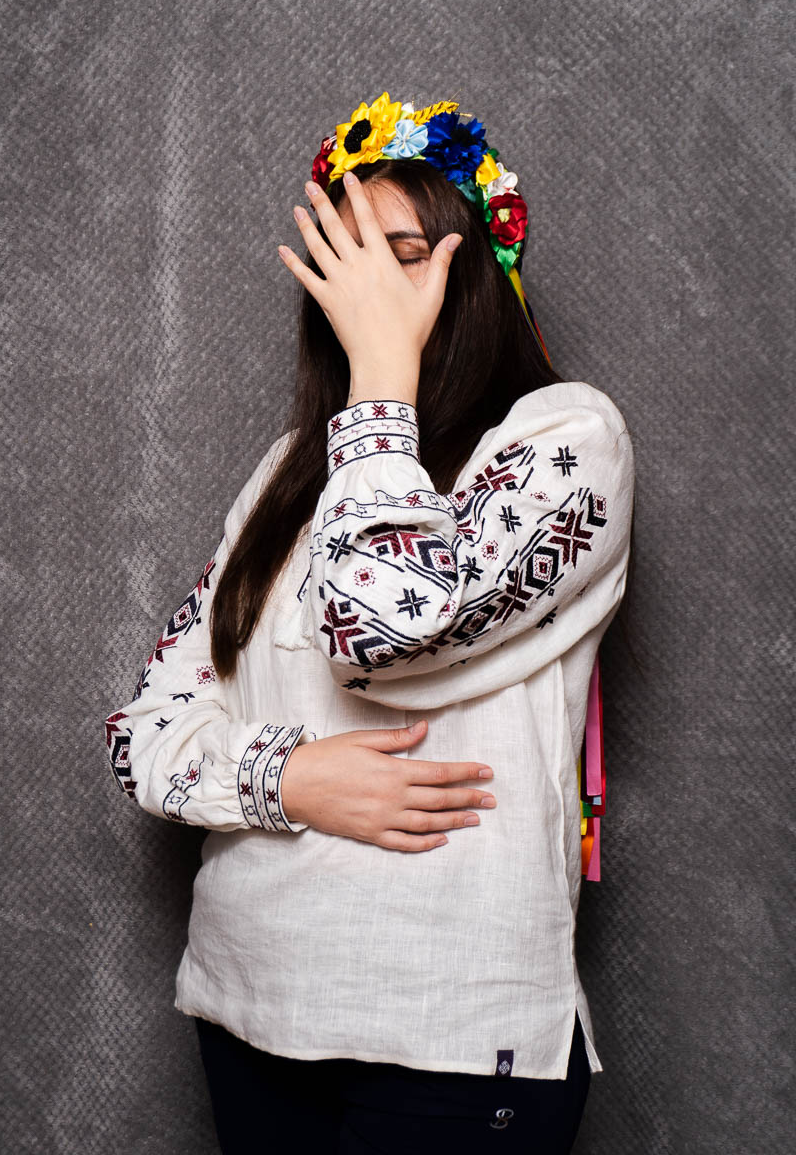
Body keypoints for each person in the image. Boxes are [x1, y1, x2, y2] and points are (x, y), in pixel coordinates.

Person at [104, 91, 635, 1153]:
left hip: (448, 1038)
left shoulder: (567, 438)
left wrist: (382, 378)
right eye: (343, 259)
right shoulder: (281, 480)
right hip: (251, 1008)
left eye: (400, 254)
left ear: (476, 266)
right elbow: (144, 733)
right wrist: (284, 776)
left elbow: (381, 629)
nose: (365, 291)